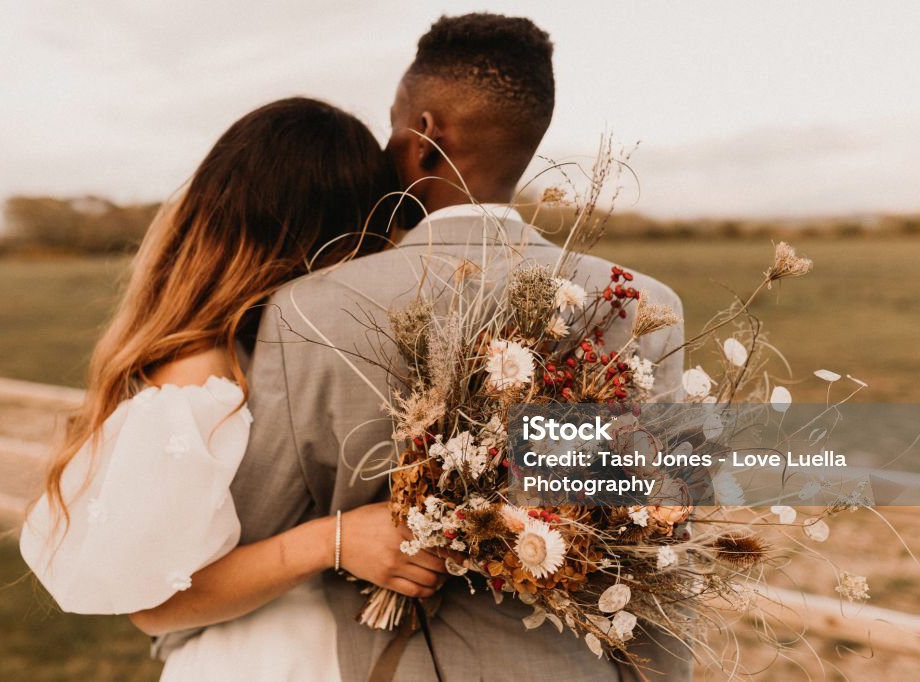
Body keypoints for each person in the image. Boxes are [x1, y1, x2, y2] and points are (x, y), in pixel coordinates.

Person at [219, 13, 693, 682]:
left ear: (424, 134)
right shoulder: (642, 308)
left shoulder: (308, 309)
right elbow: (661, 541)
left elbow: (253, 534)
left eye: (393, 124)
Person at [19, 97, 448, 681]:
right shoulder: (203, 374)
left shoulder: (284, 348)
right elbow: (153, 606)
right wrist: (333, 540)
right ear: (330, 234)